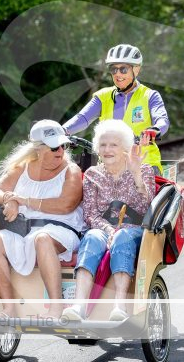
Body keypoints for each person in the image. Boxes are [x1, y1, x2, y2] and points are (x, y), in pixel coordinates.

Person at [0, 120, 86, 319]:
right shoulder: (22, 168)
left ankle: (56, 307)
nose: (60, 151)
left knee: (43, 238)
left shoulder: (70, 170)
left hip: (63, 230)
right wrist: (8, 198)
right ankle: (9, 308)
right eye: (55, 147)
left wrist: (24, 201)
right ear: (38, 149)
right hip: (27, 231)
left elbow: (66, 205)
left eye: (63, 145)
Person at [61, 119, 155, 322]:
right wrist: (108, 230)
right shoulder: (93, 174)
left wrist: (136, 173)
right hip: (102, 229)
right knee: (92, 236)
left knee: (122, 235)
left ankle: (119, 306)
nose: (107, 149)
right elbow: (90, 214)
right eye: (103, 145)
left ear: (125, 148)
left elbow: (148, 207)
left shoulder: (144, 170)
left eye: (114, 144)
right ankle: (78, 306)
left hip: (134, 230)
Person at [63, 44, 170, 174]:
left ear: (136, 70)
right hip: (109, 165)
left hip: (144, 164)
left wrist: (155, 130)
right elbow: (83, 118)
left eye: (123, 69)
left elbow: (162, 119)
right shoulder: (102, 96)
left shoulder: (149, 96)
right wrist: (62, 130)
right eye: (113, 69)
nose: (117, 74)